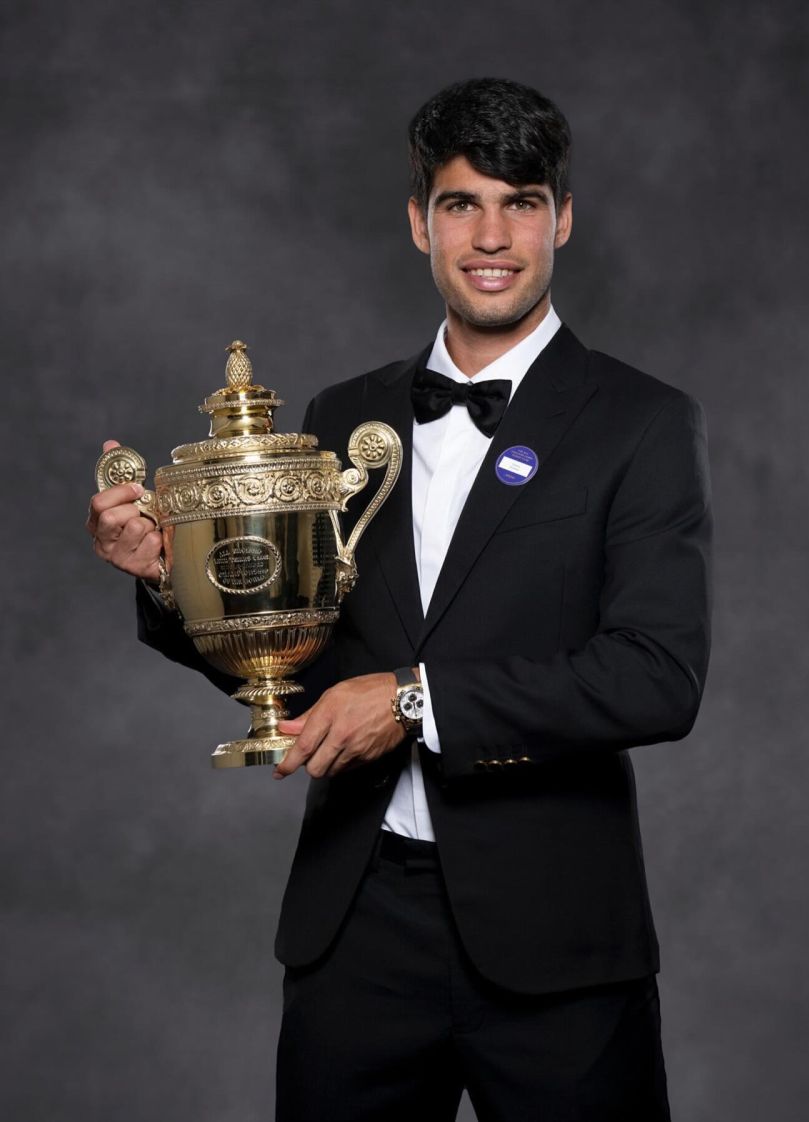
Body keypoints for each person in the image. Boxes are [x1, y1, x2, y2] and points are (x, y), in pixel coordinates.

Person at [87, 77, 712, 1122]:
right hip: (357, 927)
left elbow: (657, 678)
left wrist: (416, 700)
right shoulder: (344, 413)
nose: (493, 234)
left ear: (563, 216)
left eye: (522, 201)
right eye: (464, 203)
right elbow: (306, 658)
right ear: (420, 221)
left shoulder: (642, 423)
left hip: (557, 940)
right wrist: (166, 575)